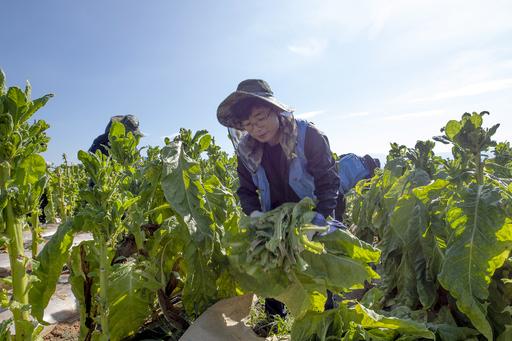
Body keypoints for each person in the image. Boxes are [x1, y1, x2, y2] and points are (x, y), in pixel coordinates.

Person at [217, 79, 342, 317]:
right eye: (248, 124)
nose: (256, 128)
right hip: (275, 218)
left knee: (319, 267)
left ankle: (328, 319)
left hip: (313, 210)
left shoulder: (309, 136)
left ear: (275, 110)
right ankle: (273, 320)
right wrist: (254, 214)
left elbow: (329, 182)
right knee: (273, 268)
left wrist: (319, 219)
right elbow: (245, 191)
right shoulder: (247, 151)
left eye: (260, 118)